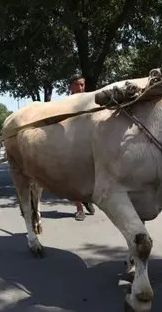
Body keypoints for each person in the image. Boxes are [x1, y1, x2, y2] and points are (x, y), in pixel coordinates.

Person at [68, 75, 96, 221]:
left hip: (88, 142)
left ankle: (87, 199)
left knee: (90, 175)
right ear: (71, 87)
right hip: (71, 144)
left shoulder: (89, 100)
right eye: (77, 85)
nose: (80, 88)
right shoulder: (65, 103)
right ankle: (79, 209)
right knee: (74, 178)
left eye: (83, 85)